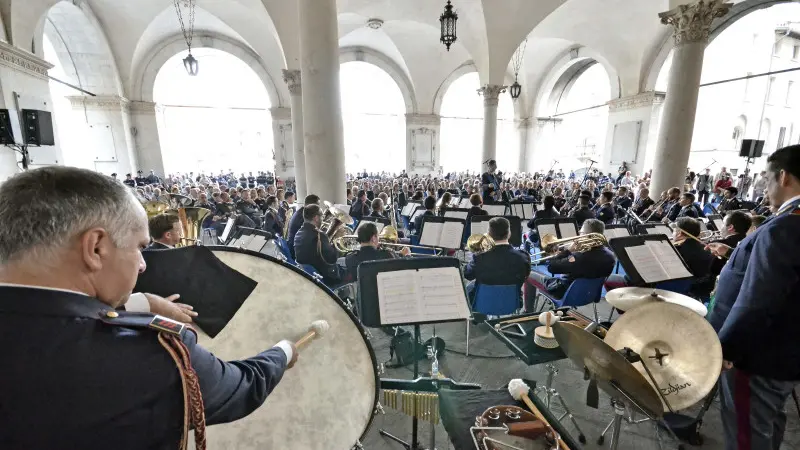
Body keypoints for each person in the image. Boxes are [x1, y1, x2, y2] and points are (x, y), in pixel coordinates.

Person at [0, 166, 297, 448]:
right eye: (140, 248)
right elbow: (242, 386)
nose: (143, 265)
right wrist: (283, 351)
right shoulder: (151, 354)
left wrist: (141, 302)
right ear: (96, 248)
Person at [705, 145, 800, 450]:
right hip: (786, 353)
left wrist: (726, 350)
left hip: (757, 357)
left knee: (747, 435)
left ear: (783, 176)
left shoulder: (784, 227)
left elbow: (759, 300)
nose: (766, 187)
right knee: (768, 423)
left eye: (768, 178)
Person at [525, 219, 615, 306]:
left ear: (587, 235)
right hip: (590, 295)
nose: (579, 232)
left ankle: (528, 310)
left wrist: (568, 251)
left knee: (528, 273)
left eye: (582, 232)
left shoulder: (579, 258)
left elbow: (551, 267)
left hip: (565, 293)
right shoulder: (611, 256)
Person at [463, 217, 530, 300]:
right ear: (509, 233)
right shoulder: (523, 256)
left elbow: (468, 275)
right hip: (512, 302)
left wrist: (470, 262)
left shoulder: (479, 257)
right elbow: (526, 275)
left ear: (489, 235)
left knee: (468, 288)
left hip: (483, 303)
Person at [294, 204, 342, 286]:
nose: (322, 220)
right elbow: (332, 259)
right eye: (322, 217)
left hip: (307, 274)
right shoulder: (318, 235)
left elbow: (319, 244)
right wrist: (338, 241)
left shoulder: (299, 233)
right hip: (323, 277)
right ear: (316, 218)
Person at [288, 194, 320, 259]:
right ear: (312, 205)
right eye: (318, 205)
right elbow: (311, 237)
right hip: (297, 253)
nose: (319, 208)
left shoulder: (301, 212)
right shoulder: (303, 217)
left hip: (295, 247)